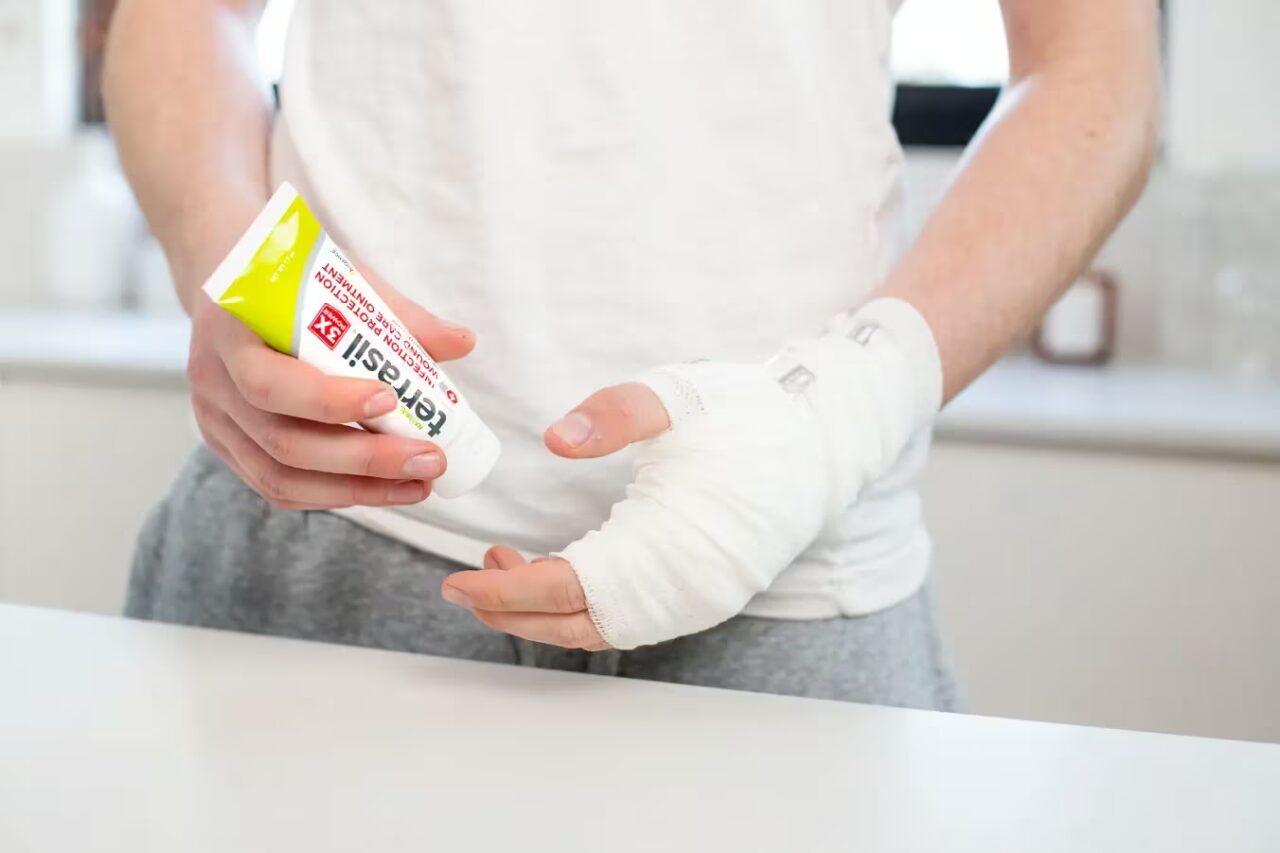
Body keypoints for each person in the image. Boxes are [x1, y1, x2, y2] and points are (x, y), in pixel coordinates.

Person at [105, 0, 1158, 706]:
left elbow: (1089, 69)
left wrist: (843, 407)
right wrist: (235, 263)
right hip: (324, 535)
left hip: (786, 580)